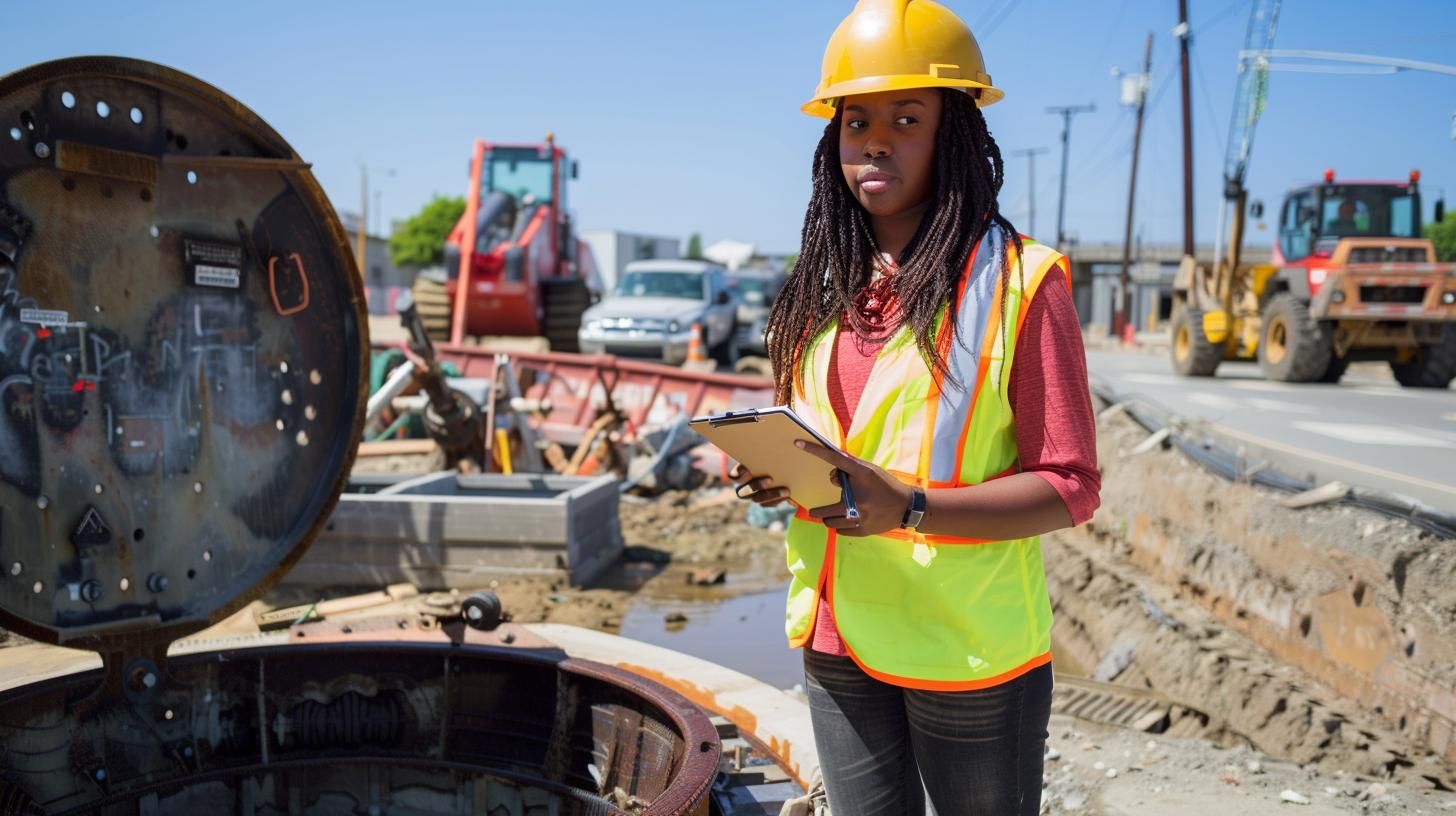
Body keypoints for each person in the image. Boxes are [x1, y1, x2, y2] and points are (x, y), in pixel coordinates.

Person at [730, 2, 1101, 813]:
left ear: (955, 134)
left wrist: (913, 507)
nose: (875, 138)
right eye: (855, 118)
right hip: (835, 637)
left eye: (906, 117)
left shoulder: (1021, 284)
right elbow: (830, 446)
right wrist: (774, 473)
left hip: (966, 652)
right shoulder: (822, 292)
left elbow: (1071, 483)